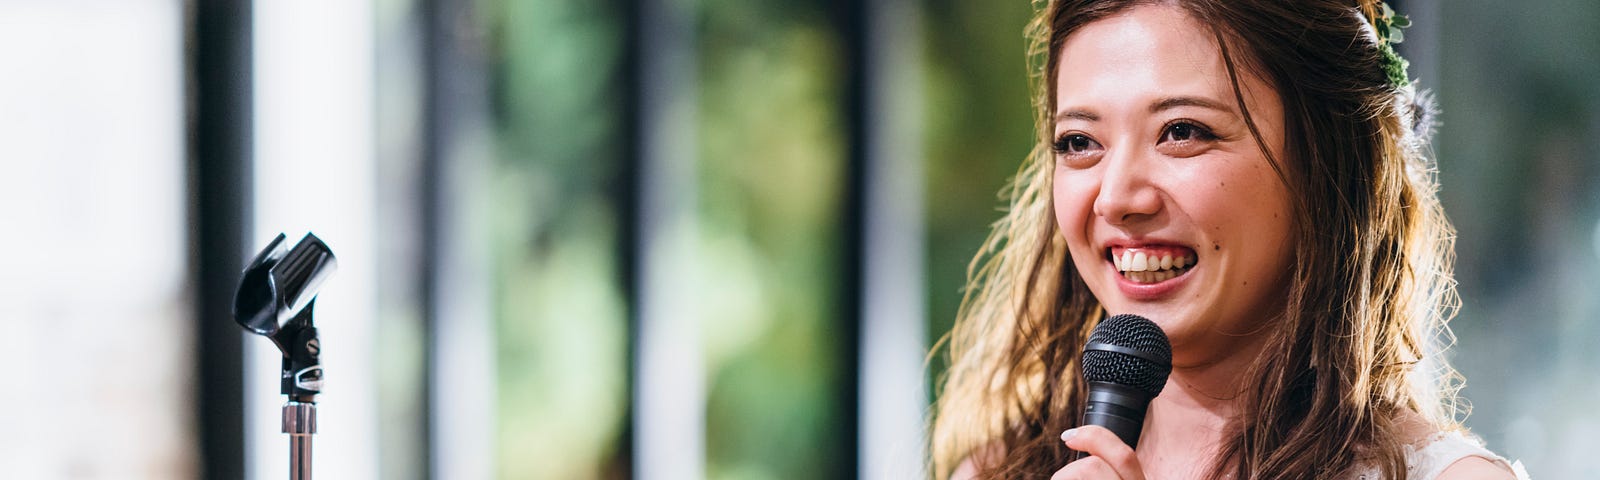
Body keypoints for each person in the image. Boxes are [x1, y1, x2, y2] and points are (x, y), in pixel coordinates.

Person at [930, 1, 1528, 478]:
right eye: (1080, 143)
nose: (1115, 198)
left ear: (1324, 165)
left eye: (1182, 132)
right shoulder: (997, 472)